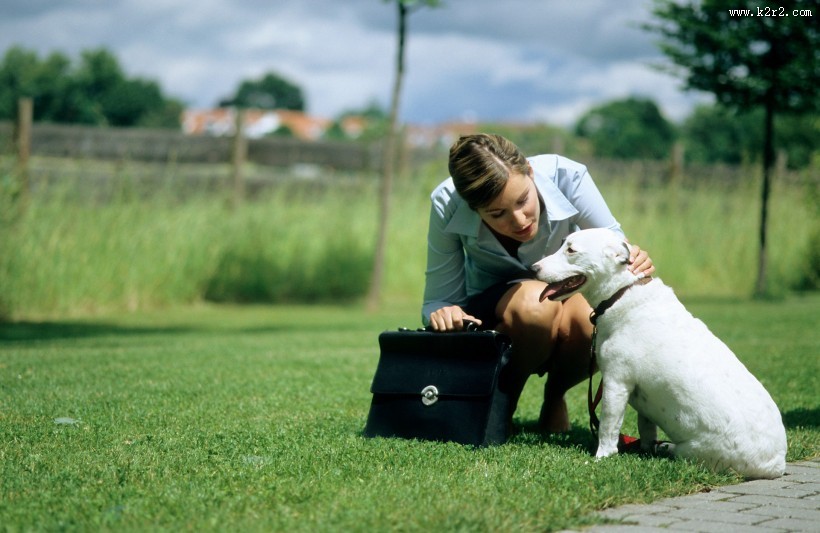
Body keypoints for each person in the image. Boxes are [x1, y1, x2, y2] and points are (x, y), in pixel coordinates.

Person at [422, 133, 655, 433]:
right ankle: (501, 403)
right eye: (497, 213)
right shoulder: (446, 201)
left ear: (530, 172)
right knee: (535, 305)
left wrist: (636, 263)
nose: (519, 220)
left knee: (592, 320)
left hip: (567, 292)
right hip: (494, 309)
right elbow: (439, 300)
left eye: (523, 201)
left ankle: (555, 396)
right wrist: (444, 312)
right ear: (472, 207)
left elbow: (615, 253)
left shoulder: (568, 177)